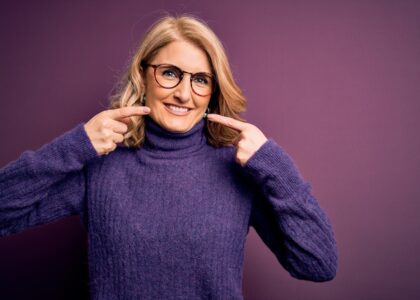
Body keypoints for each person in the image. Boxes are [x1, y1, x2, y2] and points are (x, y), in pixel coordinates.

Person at [0, 14, 338, 299]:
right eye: (171, 73)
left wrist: (276, 167)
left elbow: (318, 264)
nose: (183, 93)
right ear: (143, 74)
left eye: (201, 80)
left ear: (213, 92)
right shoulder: (100, 165)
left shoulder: (240, 170)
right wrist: (76, 144)